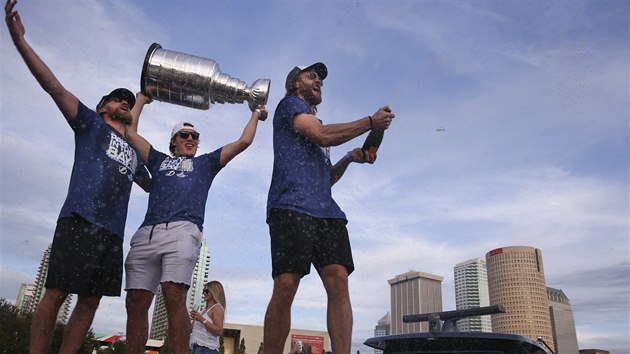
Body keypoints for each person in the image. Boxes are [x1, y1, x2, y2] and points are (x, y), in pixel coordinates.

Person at [4, 1, 151, 353]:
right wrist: (21, 42)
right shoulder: (89, 124)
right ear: (104, 108)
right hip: (80, 219)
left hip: (112, 233)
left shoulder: (132, 149)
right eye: (118, 99)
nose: (124, 103)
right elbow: (53, 86)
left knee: (90, 301)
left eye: (128, 101)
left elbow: (154, 183)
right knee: (56, 292)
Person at [264, 62, 395, 354]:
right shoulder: (290, 106)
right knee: (286, 284)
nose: (318, 80)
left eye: (321, 78)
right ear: (294, 84)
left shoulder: (316, 123)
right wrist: (370, 123)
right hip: (290, 205)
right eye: (311, 75)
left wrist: (349, 157)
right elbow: (322, 135)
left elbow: (326, 179)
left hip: (326, 209)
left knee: (338, 280)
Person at [123, 92, 267, 354]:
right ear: (173, 142)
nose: (191, 139)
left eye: (195, 136)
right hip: (147, 231)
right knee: (135, 301)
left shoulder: (206, 163)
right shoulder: (158, 160)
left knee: (173, 294)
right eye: (184, 135)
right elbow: (130, 133)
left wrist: (256, 113)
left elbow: (244, 141)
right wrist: (141, 99)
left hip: (184, 229)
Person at [189, 281, 226, 354]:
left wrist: (202, 319)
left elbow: (218, 331)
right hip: (198, 348)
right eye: (203, 291)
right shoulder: (204, 310)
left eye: (206, 291)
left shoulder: (217, 307)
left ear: (214, 292)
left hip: (207, 350)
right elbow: (191, 329)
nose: (204, 293)